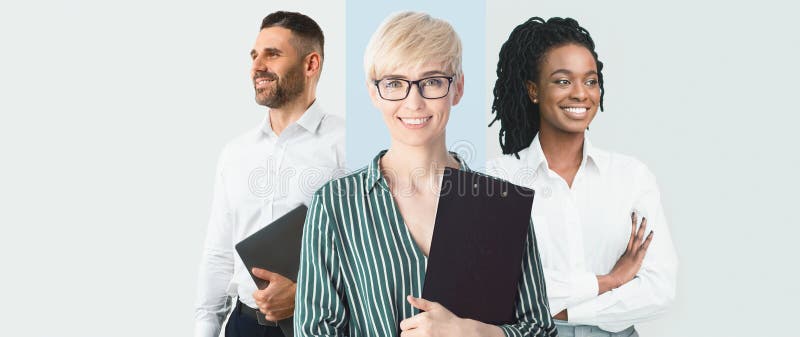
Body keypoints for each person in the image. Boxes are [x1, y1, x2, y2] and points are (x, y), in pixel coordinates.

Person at [294, 12, 556, 337]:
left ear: (457, 89)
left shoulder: (502, 205)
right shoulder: (336, 206)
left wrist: (470, 333)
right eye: (394, 83)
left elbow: (540, 329)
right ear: (374, 93)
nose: (413, 102)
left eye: (432, 81)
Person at [486, 17, 678, 336]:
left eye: (590, 81)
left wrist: (567, 310)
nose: (581, 94)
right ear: (534, 90)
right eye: (563, 81)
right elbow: (494, 289)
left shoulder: (631, 177)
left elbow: (659, 289)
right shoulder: (498, 179)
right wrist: (610, 281)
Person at [194, 11, 345, 337]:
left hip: (320, 325)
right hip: (244, 324)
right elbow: (219, 253)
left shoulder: (349, 147)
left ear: (311, 65)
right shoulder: (235, 153)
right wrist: (205, 328)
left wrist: (306, 294)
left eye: (272, 54)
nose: (257, 66)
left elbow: (373, 251)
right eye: (254, 55)